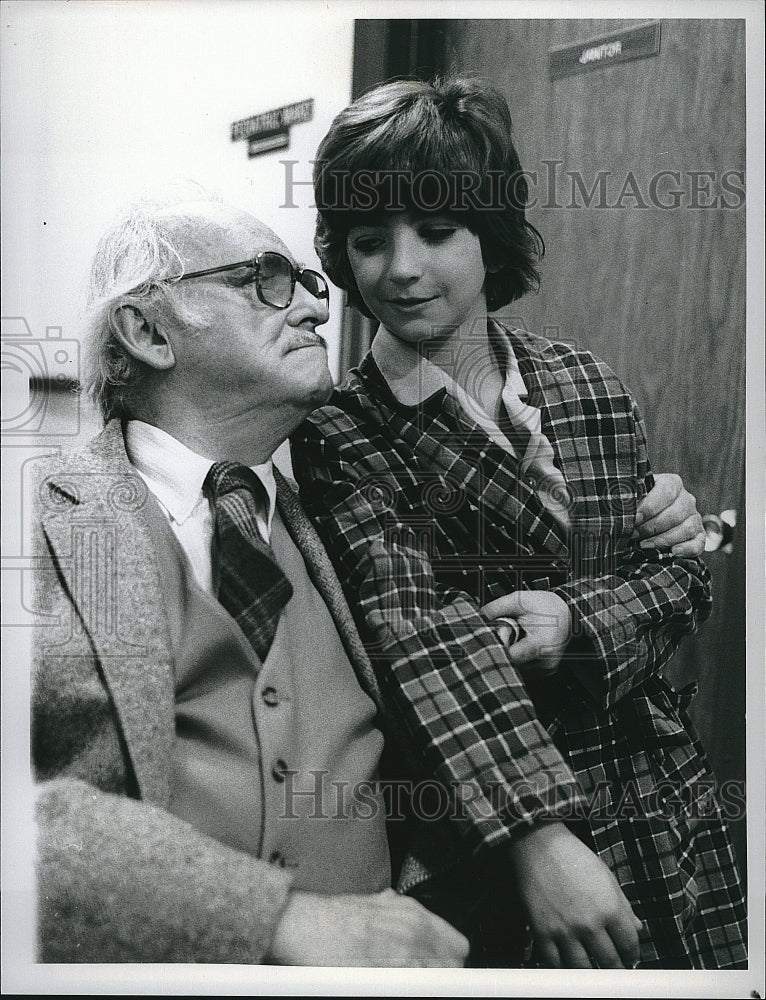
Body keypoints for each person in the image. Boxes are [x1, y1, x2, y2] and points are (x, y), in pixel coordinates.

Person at [291, 77, 747, 969]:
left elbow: (681, 577)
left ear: (489, 233)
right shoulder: (339, 431)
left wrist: (577, 621)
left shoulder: (586, 382)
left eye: (435, 231)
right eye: (369, 241)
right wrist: (537, 836)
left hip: (664, 795)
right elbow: (418, 635)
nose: (402, 267)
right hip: (491, 819)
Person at [32, 196, 473, 966]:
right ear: (148, 331)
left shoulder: (351, 507)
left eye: (307, 279)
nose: (311, 305)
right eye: (266, 278)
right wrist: (273, 920)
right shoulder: (36, 523)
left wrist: (645, 513)